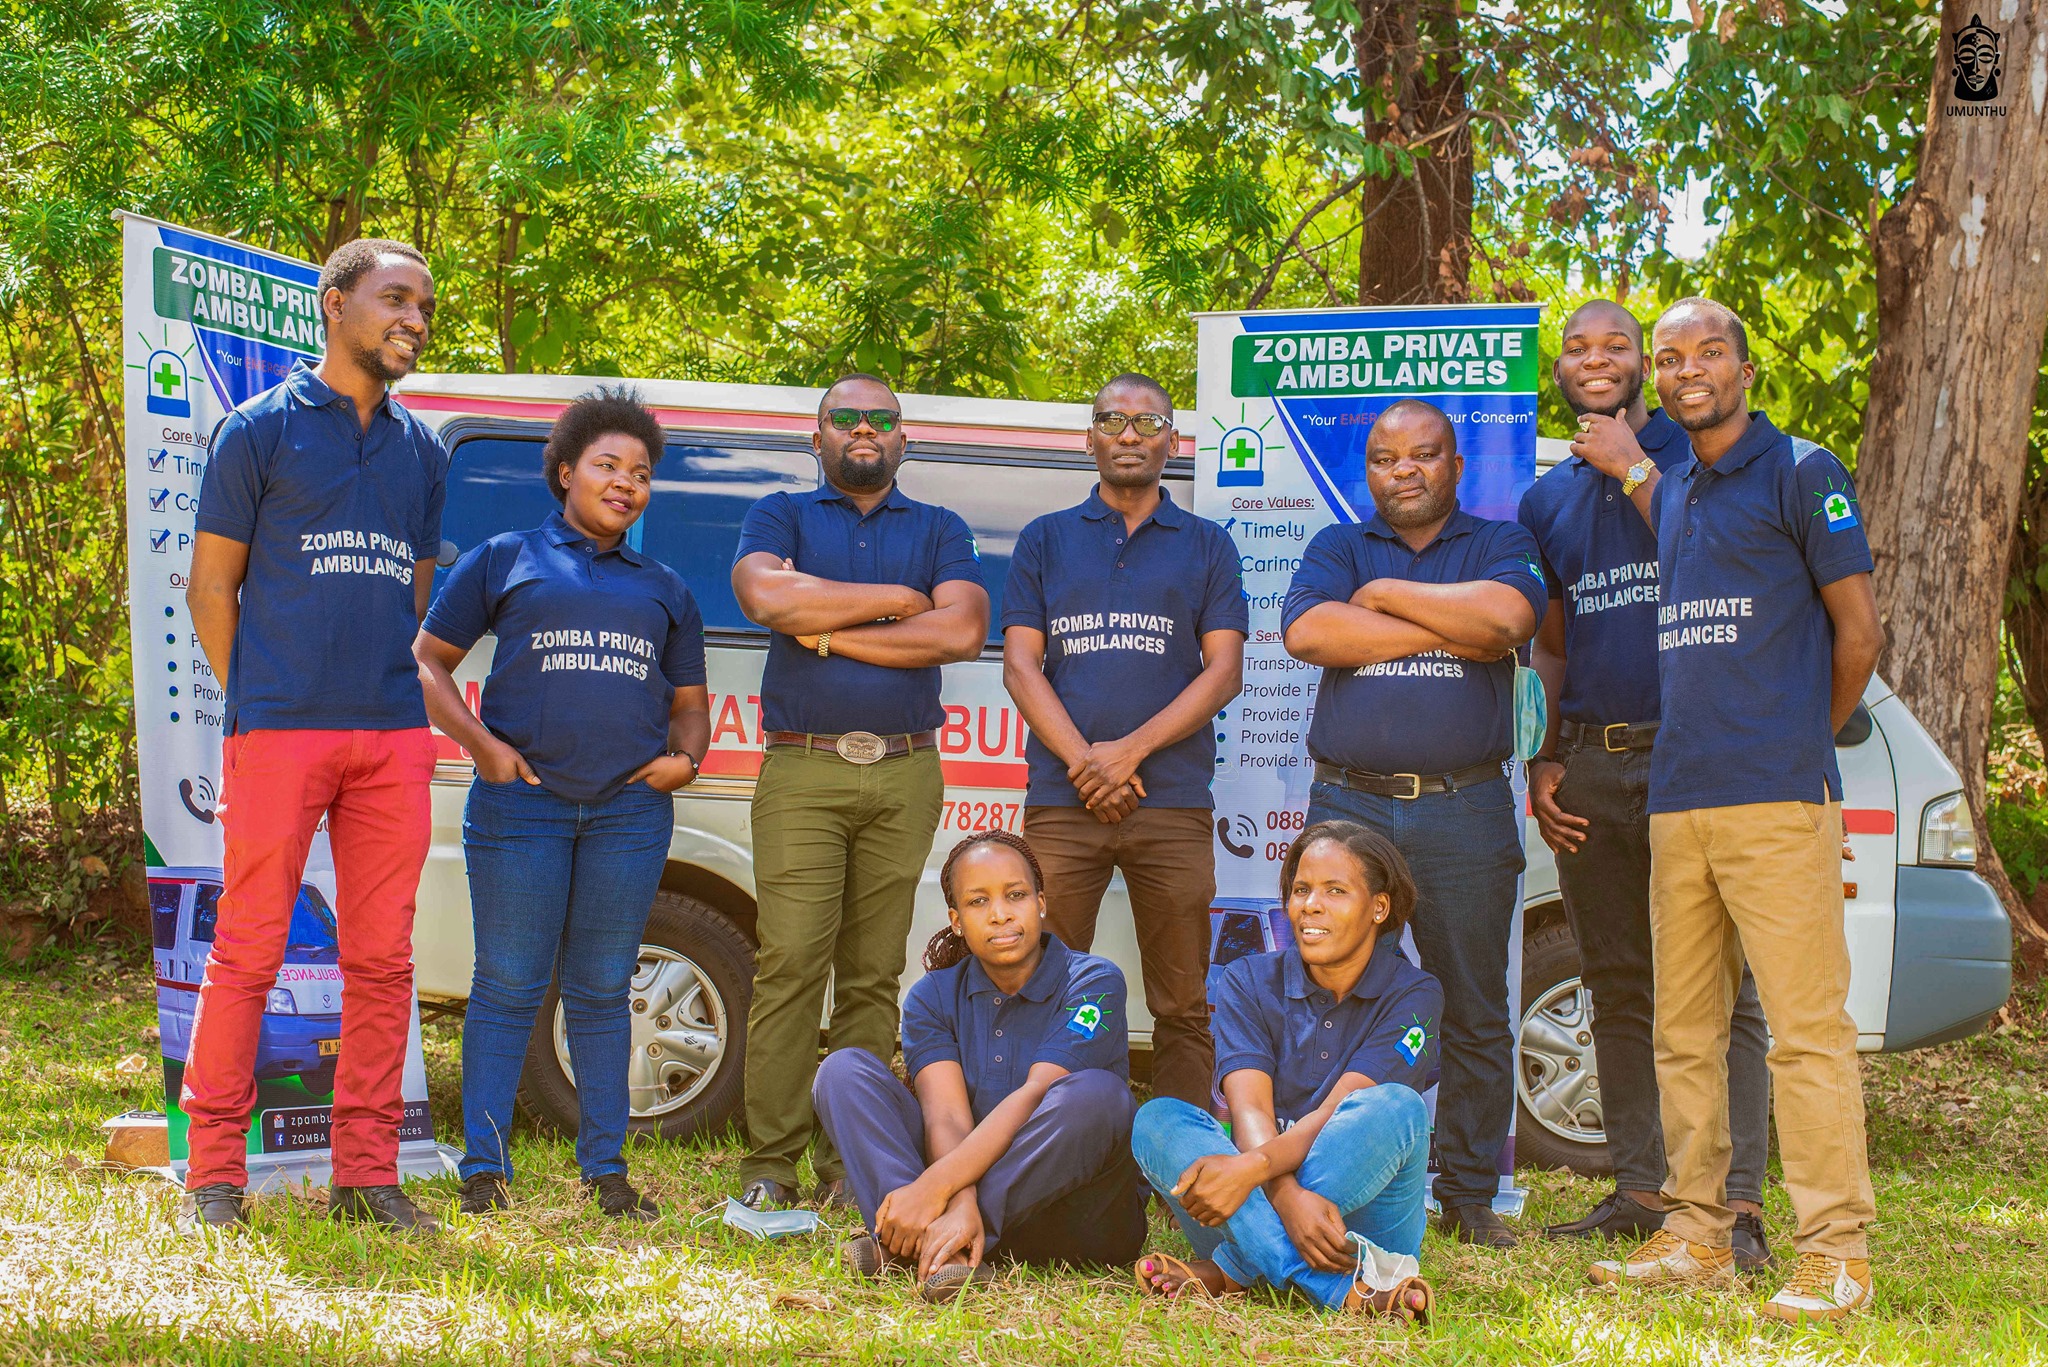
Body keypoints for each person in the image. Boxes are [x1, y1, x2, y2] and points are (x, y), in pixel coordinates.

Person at [1571, 298, 1883, 1322]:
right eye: (1669, 358)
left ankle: (1833, 1247)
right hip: (1678, 800)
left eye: (1707, 351)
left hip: (1773, 796)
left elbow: (1856, 634)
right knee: (1683, 1029)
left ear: (1744, 368)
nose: (1685, 368)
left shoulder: (1800, 471)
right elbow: (1643, 488)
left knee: (1803, 1032)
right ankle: (1697, 1232)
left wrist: (1798, 739)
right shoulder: (1681, 489)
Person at [179, 238, 448, 1233]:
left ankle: (366, 1175)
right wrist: (259, 698)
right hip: (280, 733)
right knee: (247, 951)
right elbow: (212, 586)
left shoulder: (422, 450)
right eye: (394, 299)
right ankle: (214, 1177)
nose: (413, 320)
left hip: (390, 734)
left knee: (381, 961)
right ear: (334, 305)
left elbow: (411, 596)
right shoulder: (257, 431)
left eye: (423, 306)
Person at [1516, 302, 1774, 1267]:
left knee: (1724, 994)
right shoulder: (1548, 499)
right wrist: (1544, 757)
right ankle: (1638, 1189)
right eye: (1579, 348)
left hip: (1695, 757)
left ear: (1646, 368)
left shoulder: (1701, 461)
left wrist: (1633, 461)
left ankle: (1736, 1206)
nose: (1597, 360)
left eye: (1617, 346)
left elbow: (1727, 571)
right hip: (1592, 760)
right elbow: (1551, 641)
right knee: (1615, 982)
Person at [413, 387, 710, 1222]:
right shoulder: (505, 557)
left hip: (627, 813)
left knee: (603, 988)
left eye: (641, 473)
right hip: (521, 808)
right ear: (566, 470)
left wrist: (686, 757)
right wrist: (484, 746)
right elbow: (428, 661)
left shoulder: (664, 587)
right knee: (506, 984)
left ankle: (607, 1173)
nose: (626, 483)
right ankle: (484, 1167)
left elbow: (690, 698)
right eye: (609, 465)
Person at [1278, 399, 1546, 1248]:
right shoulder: (1337, 547)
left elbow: (1506, 622)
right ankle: (1327, 1179)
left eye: (1423, 455)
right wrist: (1445, 622)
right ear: (1370, 472)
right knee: (1337, 999)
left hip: (1465, 804)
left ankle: (1467, 1193)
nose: (1405, 471)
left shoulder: (1501, 545)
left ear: (1455, 465)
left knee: (1472, 1005)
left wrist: (1389, 597)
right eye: (1387, 459)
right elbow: (1311, 631)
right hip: (1351, 807)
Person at [730, 374, 990, 1211]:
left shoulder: (943, 527)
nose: (865, 428)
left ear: (904, 440)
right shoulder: (781, 514)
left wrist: (824, 631)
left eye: (882, 418)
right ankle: (770, 1162)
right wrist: (894, 606)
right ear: (819, 439)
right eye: (846, 417)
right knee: (790, 964)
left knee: (874, 972)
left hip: (907, 769)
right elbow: (764, 593)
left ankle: (850, 1166)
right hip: (801, 768)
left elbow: (960, 629)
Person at [1001, 373, 1247, 1109]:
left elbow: (1224, 671)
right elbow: (1020, 666)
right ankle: (1053, 1147)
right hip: (1062, 800)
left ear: (1174, 440)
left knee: (1183, 1001)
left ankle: (1182, 1161)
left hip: (1170, 803)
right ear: (1090, 438)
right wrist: (1086, 763)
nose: (1131, 434)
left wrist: (1127, 753)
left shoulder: (1207, 544)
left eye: (1148, 422)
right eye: (1114, 420)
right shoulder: (1045, 539)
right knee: (1043, 986)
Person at [812, 831, 1148, 1302]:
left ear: (1041, 902)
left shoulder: (1093, 981)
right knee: (843, 1071)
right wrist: (954, 1198)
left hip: (1078, 1222)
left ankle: (915, 1247)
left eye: (1016, 895)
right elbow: (945, 1116)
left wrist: (937, 1190)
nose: (1001, 913)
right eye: (978, 901)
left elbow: (1036, 1093)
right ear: (956, 920)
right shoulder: (932, 996)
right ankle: (943, 1251)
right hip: (958, 1203)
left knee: (1097, 1095)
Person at [1130, 822, 1439, 1324]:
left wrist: (1259, 1178)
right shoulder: (1248, 979)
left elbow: (1342, 1108)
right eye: (1301, 890)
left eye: (1335, 891)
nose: (1310, 906)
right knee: (1158, 1120)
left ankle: (1232, 1270)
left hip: (1359, 1228)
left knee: (1396, 1108)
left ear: (1379, 908)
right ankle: (1344, 1291)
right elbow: (1251, 1110)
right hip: (1252, 1202)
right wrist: (1285, 1196)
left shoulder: (1415, 993)